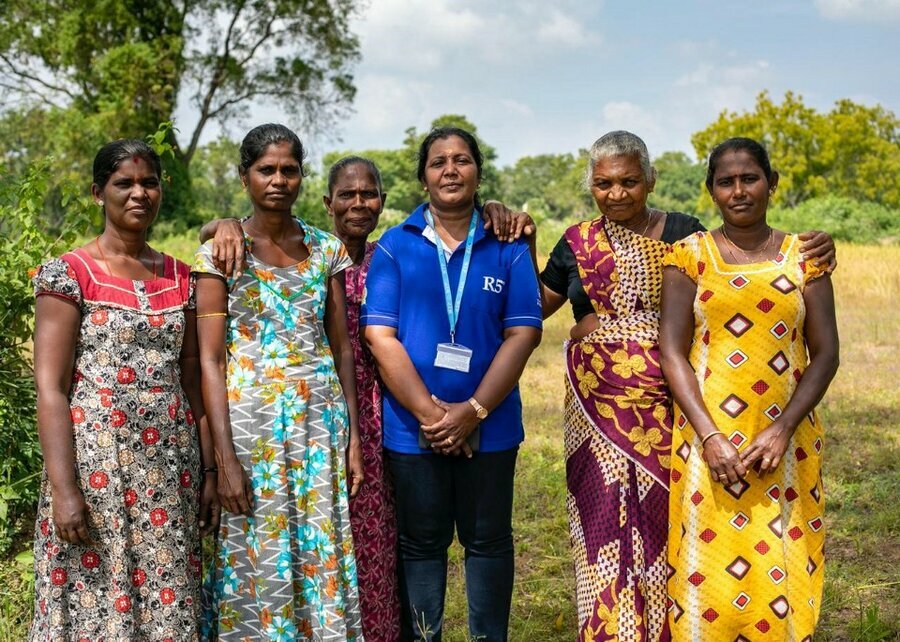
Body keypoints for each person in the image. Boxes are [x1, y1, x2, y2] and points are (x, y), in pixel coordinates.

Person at [524, 130, 836, 641]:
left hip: (673, 408)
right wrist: (519, 244)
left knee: (673, 527)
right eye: (604, 184)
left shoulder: (685, 236)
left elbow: (738, 288)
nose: (617, 193)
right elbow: (533, 307)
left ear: (651, 180)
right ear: (591, 187)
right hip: (598, 413)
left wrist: (820, 245)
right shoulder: (577, 243)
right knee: (603, 526)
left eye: (629, 181)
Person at [29, 139, 217, 641]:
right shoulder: (70, 274)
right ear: (98, 193)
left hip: (168, 474)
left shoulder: (182, 278)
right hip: (95, 472)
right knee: (96, 608)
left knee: (166, 606)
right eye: (124, 183)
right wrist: (65, 489)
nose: (139, 193)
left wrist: (210, 470)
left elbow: (192, 380)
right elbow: (50, 388)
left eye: (149, 182)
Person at [361, 127, 543, 642]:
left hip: (493, 424)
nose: (449, 170)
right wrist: (432, 416)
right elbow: (380, 335)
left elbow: (525, 331)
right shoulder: (397, 246)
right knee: (421, 544)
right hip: (411, 429)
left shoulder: (506, 245)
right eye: (438, 161)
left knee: (487, 542)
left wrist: (475, 411)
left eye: (461, 160)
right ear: (423, 176)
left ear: (478, 172)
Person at [660, 137, 838, 639]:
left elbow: (826, 353)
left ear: (771, 183)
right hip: (706, 437)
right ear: (711, 191)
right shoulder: (687, 256)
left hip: (785, 439)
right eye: (725, 181)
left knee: (782, 565)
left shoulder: (806, 257)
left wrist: (782, 429)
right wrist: (711, 437)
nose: (739, 191)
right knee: (706, 572)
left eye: (750, 178)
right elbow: (672, 352)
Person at [192, 124, 365, 640]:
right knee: (255, 548)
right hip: (251, 429)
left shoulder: (326, 248)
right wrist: (223, 460)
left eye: (289, 170)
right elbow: (210, 362)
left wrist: (354, 436)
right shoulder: (220, 252)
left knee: (319, 545)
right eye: (266, 169)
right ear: (244, 176)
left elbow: (340, 349)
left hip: (319, 425)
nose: (278, 180)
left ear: (302, 177)